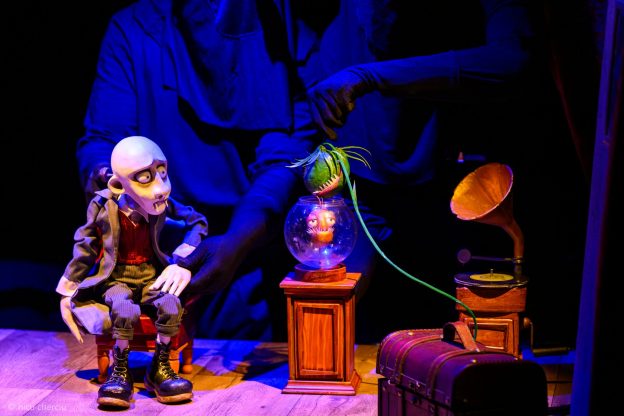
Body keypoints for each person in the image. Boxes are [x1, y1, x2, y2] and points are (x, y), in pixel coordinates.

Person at [292, 0, 538, 340]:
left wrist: (369, 76)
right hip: (363, 189)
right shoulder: (335, 30)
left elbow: (515, 61)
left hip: (452, 195)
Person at [76, 0, 316, 342]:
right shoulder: (136, 29)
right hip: (150, 249)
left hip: (246, 255)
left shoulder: (285, 31)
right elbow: (104, 138)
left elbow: (288, 154)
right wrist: (108, 177)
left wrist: (237, 241)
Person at [57, 136, 208, 407]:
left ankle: (159, 368)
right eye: (146, 178)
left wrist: (181, 260)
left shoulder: (161, 204)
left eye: (162, 172)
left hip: (151, 276)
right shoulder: (103, 206)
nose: (160, 188)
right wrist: (68, 289)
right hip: (117, 279)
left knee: (171, 304)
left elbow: (197, 222)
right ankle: (120, 370)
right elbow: (86, 245)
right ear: (118, 184)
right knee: (124, 309)